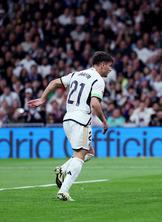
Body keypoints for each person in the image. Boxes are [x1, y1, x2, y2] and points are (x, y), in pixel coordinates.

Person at [28, 51, 113, 201]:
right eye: (109, 66)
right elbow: (94, 103)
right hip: (81, 119)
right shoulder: (98, 80)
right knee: (80, 156)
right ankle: (64, 191)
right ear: (102, 65)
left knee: (89, 152)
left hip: (67, 119)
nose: (110, 70)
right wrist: (104, 121)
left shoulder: (76, 74)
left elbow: (54, 82)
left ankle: (63, 169)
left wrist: (42, 99)